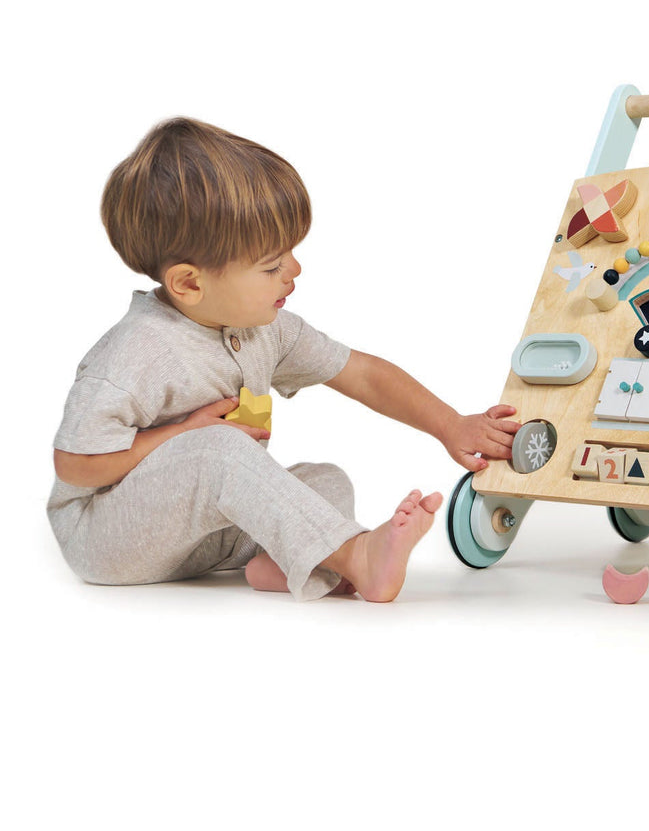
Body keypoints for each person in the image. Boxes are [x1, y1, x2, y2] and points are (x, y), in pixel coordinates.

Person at [48, 118, 520, 602]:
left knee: (325, 480)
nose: (294, 269)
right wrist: (182, 434)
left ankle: (291, 564)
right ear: (189, 283)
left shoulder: (264, 328)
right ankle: (355, 555)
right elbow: (74, 465)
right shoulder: (138, 352)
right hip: (109, 538)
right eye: (272, 265)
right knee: (219, 450)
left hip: (203, 538)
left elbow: (362, 375)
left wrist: (450, 425)